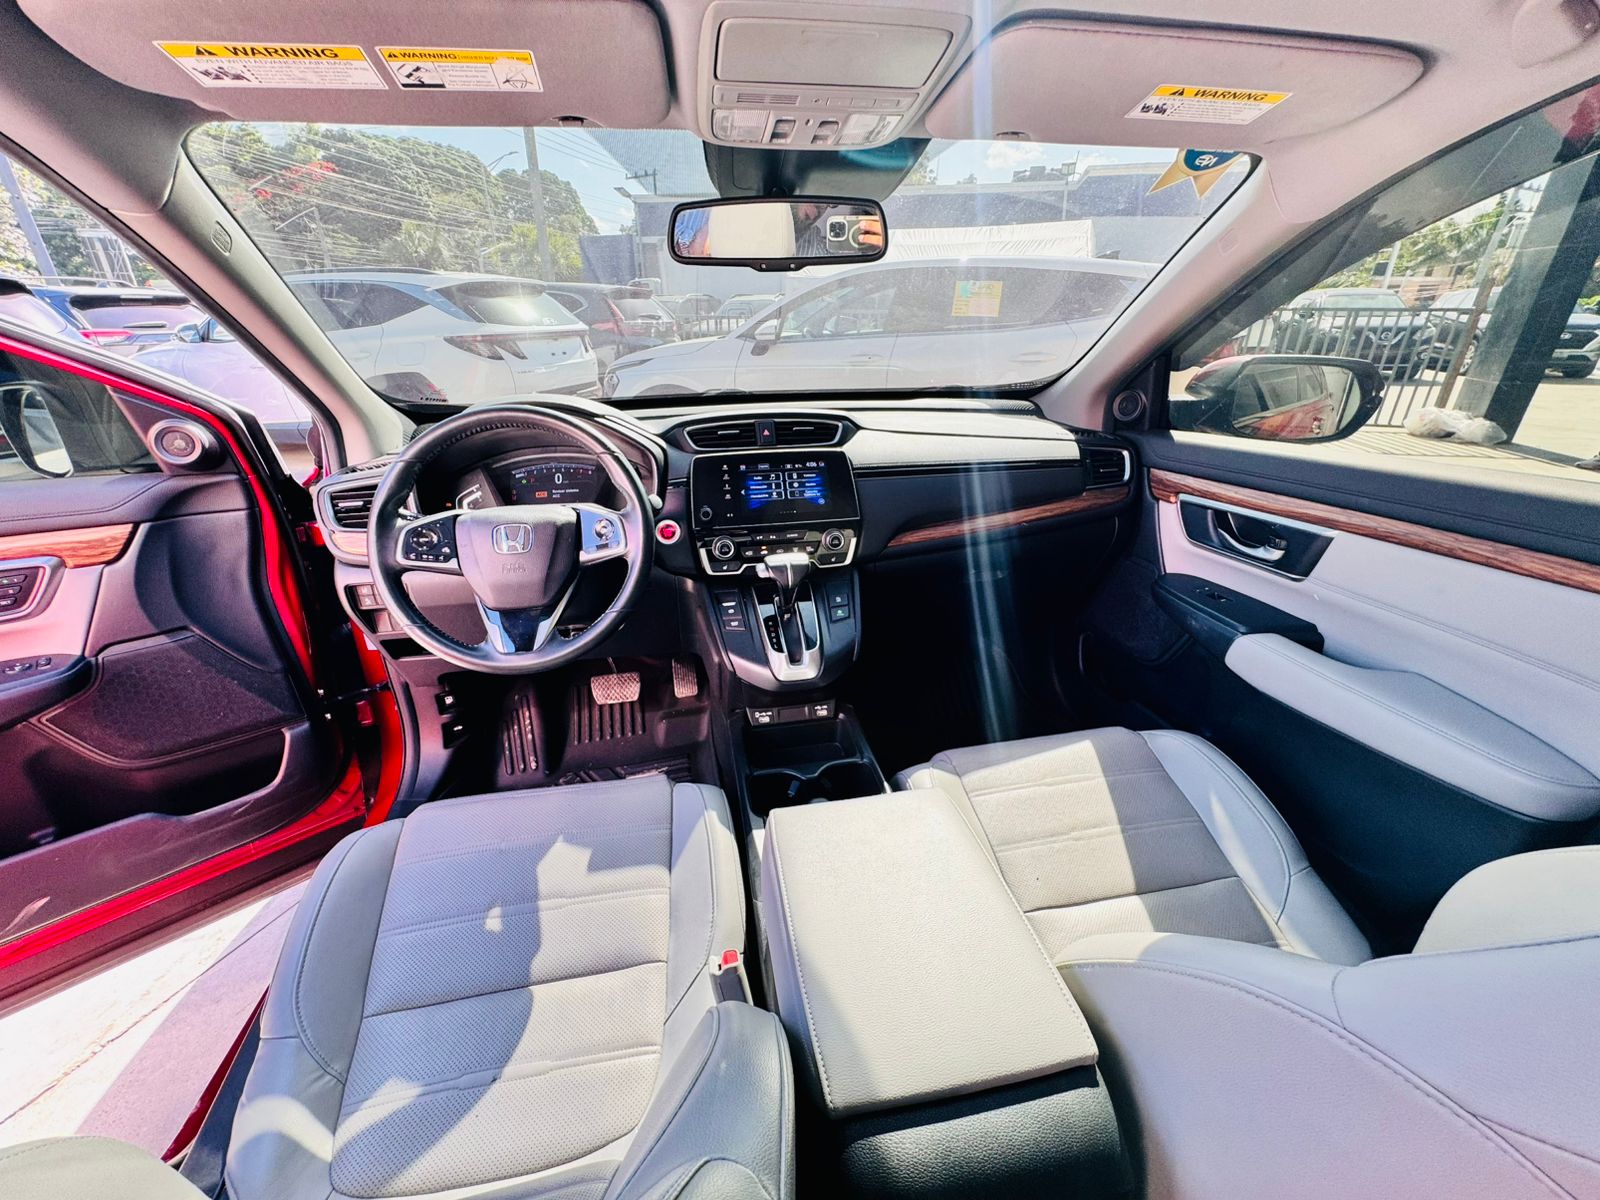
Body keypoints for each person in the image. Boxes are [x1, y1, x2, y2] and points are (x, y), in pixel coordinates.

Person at [792, 204, 884, 257]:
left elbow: (828, 258)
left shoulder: (813, 242)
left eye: (829, 204)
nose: (823, 207)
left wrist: (870, 251)